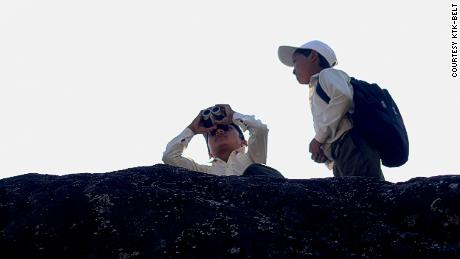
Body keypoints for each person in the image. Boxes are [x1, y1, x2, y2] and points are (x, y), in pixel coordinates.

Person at [277, 40, 384, 180]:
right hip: (343, 153)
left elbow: (343, 97)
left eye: (295, 61)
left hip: (352, 146)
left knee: (366, 196)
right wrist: (325, 153)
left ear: (313, 56)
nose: (293, 70)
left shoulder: (327, 74)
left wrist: (319, 139)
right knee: (354, 197)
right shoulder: (321, 83)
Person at [162, 104, 284, 178]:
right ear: (209, 152)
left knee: (256, 169)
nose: (219, 132)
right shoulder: (203, 172)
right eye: (213, 133)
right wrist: (192, 129)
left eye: (226, 128)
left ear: (244, 142)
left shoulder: (253, 158)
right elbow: (170, 157)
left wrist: (233, 116)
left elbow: (260, 129)